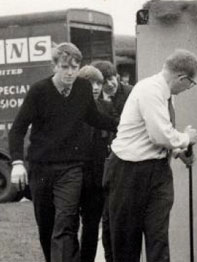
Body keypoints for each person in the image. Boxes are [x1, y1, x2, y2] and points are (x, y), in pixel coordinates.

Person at [8, 43, 117, 262]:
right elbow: (18, 129)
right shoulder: (39, 91)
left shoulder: (83, 88)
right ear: (54, 66)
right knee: (47, 227)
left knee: (66, 222)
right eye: (65, 67)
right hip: (41, 169)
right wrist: (18, 163)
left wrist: (126, 124)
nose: (70, 72)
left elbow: (94, 118)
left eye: (74, 67)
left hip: (71, 169)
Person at [105, 49, 197, 262]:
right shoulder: (150, 90)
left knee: (158, 239)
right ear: (181, 78)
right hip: (128, 172)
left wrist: (177, 150)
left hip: (156, 172)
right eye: (190, 84)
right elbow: (160, 135)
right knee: (127, 242)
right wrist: (185, 139)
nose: (188, 89)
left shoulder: (166, 95)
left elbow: (156, 137)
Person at [91, 60, 132, 262]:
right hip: (104, 165)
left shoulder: (131, 94)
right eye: (105, 80)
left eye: (112, 77)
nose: (110, 83)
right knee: (107, 222)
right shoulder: (98, 100)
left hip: (125, 164)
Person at [78, 65, 118, 262]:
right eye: (90, 82)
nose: (95, 87)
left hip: (97, 178)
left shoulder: (106, 107)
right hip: (75, 175)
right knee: (67, 224)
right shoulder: (70, 108)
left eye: (98, 83)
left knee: (92, 226)